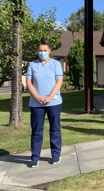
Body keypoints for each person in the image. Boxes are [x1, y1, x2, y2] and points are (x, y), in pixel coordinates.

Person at [26, 40, 63, 168]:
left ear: (49, 51)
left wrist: (50, 97)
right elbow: (29, 83)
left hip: (54, 102)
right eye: (40, 50)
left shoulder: (56, 64)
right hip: (36, 103)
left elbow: (59, 81)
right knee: (36, 130)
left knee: (55, 129)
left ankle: (56, 155)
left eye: (45, 50)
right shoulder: (32, 64)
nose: (42, 53)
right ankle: (35, 157)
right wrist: (37, 97)